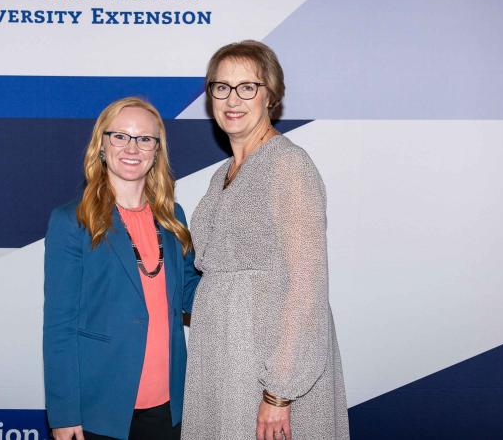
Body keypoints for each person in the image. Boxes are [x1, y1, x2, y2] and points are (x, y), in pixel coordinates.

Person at [182, 41, 350, 440]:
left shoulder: (288, 164)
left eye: (247, 87)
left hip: (266, 365)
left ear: (270, 96)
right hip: (222, 360)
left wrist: (279, 391)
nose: (232, 99)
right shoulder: (222, 174)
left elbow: (306, 285)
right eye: (221, 87)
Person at [43, 97, 201, 440]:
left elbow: (190, 293)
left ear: (157, 151)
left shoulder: (173, 218)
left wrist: (239, 281)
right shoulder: (72, 221)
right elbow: (59, 325)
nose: (132, 148)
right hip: (100, 408)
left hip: (170, 405)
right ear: (102, 144)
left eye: (144, 138)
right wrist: (64, 412)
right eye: (120, 136)